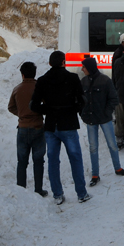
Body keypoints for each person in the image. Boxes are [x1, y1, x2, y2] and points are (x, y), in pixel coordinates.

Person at [30, 51, 90, 205]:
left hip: (51, 125)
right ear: (64, 62)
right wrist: (74, 109)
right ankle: (81, 194)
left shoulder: (42, 81)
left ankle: (57, 194)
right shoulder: (72, 78)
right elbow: (82, 100)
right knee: (75, 158)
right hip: (68, 123)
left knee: (53, 160)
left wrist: (48, 110)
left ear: (50, 63)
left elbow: (34, 105)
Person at [80, 57, 124, 187]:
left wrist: (106, 113)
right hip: (91, 120)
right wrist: (83, 113)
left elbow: (114, 99)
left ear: (90, 68)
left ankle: (118, 168)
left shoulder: (105, 81)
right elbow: (80, 101)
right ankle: (95, 175)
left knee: (112, 145)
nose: (82, 69)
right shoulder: (83, 81)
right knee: (93, 148)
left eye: (84, 67)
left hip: (104, 119)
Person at [8, 61, 48, 197]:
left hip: (23, 128)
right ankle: (38, 189)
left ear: (23, 74)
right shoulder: (40, 87)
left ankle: (21, 189)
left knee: (22, 161)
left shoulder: (17, 89)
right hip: (38, 127)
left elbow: (11, 107)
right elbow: (47, 104)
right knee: (38, 160)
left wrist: (21, 114)